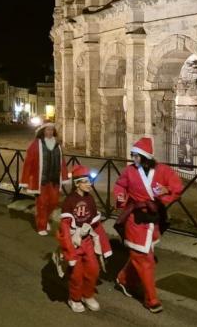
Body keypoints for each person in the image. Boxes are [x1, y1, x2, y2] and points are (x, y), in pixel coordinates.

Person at [113, 137, 183, 313]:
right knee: (145, 259)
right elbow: (120, 186)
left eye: (136, 156)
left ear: (145, 157)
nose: (133, 159)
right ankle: (151, 299)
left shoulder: (163, 171)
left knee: (141, 254)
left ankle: (123, 279)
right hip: (135, 219)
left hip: (153, 219)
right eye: (132, 155)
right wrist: (121, 197)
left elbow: (176, 187)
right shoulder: (129, 171)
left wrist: (167, 192)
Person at [56, 164, 112, 313]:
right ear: (77, 184)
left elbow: (96, 223)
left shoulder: (90, 199)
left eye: (90, 181)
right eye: (86, 182)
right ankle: (74, 298)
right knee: (77, 274)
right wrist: (69, 251)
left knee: (93, 270)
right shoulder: (69, 201)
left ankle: (87, 295)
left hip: (87, 241)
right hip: (75, 243)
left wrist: (104, 246)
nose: (90, 185)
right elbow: (65, 228)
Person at [19, 123, 68, 235]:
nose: (50, 132)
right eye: (47, 130)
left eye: (52, 130)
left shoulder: (57, 145)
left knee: (54, 202)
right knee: (42, 203)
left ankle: (44, 219)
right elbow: (28, 163)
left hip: (54, 180)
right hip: (41, 180)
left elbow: (62, 162)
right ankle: (41, 226)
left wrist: (64, 176)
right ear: (42, 131)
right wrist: (25, 181)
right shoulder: (35, 144)